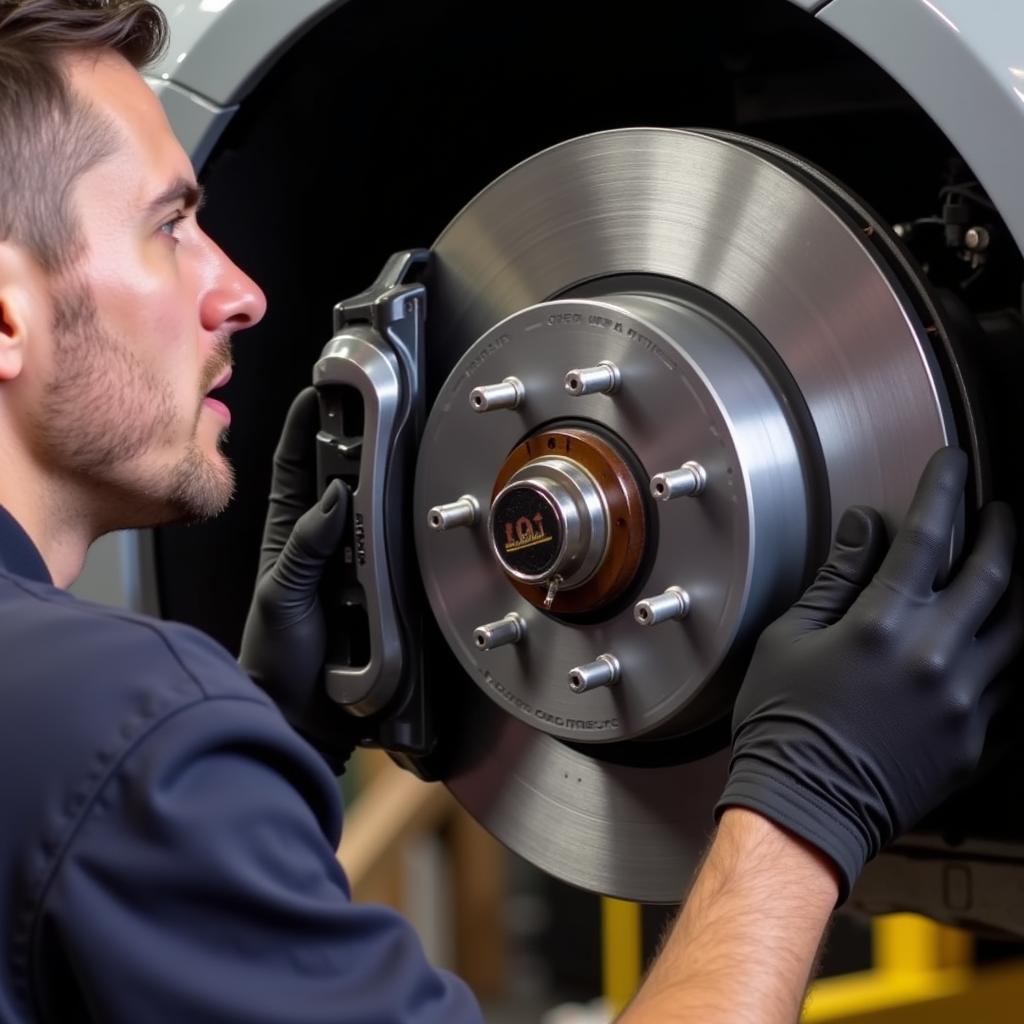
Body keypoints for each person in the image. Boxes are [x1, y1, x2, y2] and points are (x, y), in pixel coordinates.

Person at [0, 3, 1018, 1023]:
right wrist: (809, 802)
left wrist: (269, 745)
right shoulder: (119, 727)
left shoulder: (76, 728)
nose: (240, 290)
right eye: (170, 226)